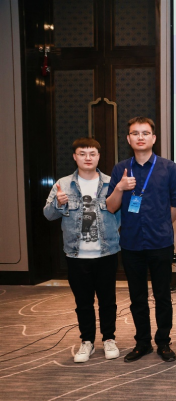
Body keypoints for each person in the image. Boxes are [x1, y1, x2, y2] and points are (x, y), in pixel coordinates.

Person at [106, 117, 176, 363]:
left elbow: (175, 206)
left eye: (145, 133)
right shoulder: (120, 169)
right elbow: (110, 207)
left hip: (160, 243)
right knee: (137, 297)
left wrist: (161, 226)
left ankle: (163, 342)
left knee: (163, 296)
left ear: (154, 138)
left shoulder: (168, 168)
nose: (140, 137)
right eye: (135, 133)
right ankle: (142, 343)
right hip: (131, 243)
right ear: (128, 139)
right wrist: (120, 188)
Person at [43, 137, 120, 363]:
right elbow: (48, 214)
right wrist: (58, 203)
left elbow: (121, 214)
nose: (88, 158)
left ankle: (109, 339)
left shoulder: (111, 183)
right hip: (76, 255)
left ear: (99, 157)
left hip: (106, 253)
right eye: (82, 153)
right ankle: (87, 341)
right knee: (83, 302)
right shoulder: (63, 184)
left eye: (92, 154)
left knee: (108, 301)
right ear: (75, 157)